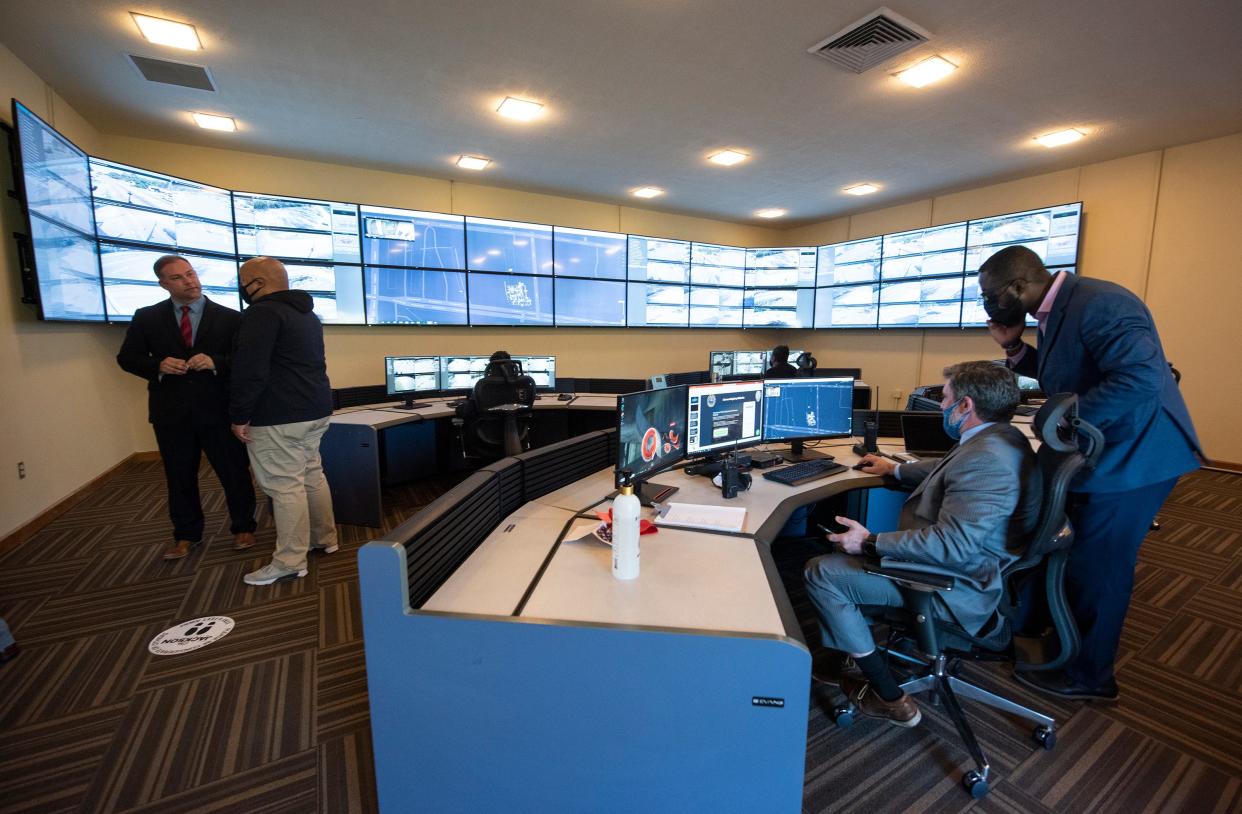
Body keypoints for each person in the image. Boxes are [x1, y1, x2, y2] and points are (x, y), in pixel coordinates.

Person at [978, 246, 1202, 701]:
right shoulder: (1056, 308)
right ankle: (1062, 640)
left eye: (990, 295)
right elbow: (1068, 374)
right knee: (1075, 551)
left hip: (1137, 457)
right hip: (1110, 450)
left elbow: (1140, 378)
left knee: (1101, 565)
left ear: (1019, 286)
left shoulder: (1101, 302)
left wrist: (1064, 420)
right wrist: (1016, 348)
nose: (987, 304)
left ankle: (1090, 676)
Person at [803, 362, 1039, 726]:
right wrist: (893, 470)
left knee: (822, 572)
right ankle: (847, 650)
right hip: (971, 566)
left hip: (953, 584)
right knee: (843, 549)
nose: (939, 406)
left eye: (944, 399)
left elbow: (953, 546)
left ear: (966, 406)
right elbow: (948, 467)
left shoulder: (988, 461)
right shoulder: (1001, 438)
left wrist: (870, 542)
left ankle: (889, 696)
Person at [116, 254, 257, 560]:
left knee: (234, 472)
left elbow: (245, 361)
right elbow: (127, 358)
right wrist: (159, 365)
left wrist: (216, 362)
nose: (189, 281)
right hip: (172, 412)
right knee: (179, 476)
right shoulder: (147, 317)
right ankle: (186, 534)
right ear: (163, 284)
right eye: (178, 277)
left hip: (219, 410)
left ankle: (244, 527)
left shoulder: (232, 317)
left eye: (191, 274)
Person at [230, 257, 337, 586]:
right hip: (315, 410)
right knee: (311, 477)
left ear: (257, 283)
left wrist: (238, 415)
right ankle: (325, 538)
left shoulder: (262, 313)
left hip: (278, 416)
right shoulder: (307, 313)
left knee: (284, 486)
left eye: (243, 281)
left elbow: (251, 370)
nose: (242, 287)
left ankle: (290, 560)